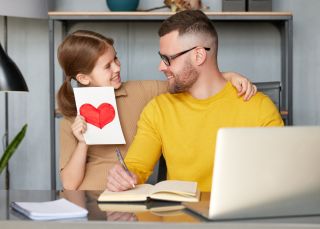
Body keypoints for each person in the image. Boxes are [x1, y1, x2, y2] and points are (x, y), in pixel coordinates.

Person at [106, 10, 284, 192]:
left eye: (167, 59)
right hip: (179, 217)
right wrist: (125, 177)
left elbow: (282, 174)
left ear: (198, 56)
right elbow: (137, 166)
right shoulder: (158, 109)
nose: (160, 67)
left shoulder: (259, 107)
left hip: (240, 216)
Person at [57, 30, 257, 190]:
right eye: (107, 66)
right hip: (88, 197)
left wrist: (228, 76)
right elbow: (70, 184)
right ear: (84, 78)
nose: (117, 68)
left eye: (116, 59)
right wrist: (83, 142)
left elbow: (188, 84)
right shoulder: (71, 114)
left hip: (129, 194)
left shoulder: (140, 91)